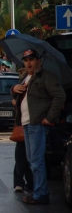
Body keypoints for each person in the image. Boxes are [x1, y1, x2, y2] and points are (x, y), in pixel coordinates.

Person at [11, 49, 66, 205]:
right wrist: (13, 89)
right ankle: (37, 191)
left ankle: (41, 194)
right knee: (31, 159)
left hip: (36, 124)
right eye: (26, 60)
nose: (28, 62)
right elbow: (19, 95)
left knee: (36, 160)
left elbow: (60, 95)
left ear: (38, 61)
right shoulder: (27, 77)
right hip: (26, 124)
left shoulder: (46, 77)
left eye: (31, 59)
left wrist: (49, 117)